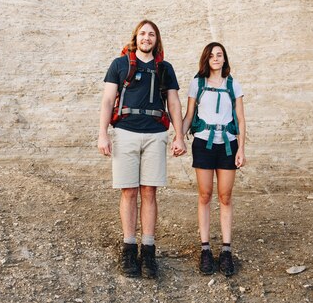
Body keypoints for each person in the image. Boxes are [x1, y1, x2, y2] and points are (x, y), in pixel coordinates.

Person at [98, 20, 187, 278]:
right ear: (135, 38)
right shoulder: (119, 64)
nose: (146, 38)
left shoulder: (165, 68)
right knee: (129, 192)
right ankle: (128, 249)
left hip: (156, 134)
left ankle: (148, 250)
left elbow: (174, 103)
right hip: (125, 132)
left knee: (149, 192)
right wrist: (102, 133)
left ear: (156, 40)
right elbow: (107, 100)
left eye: (151, 34)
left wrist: (179, 136)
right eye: (142, 34)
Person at [181, 42, 246, 276]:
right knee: (205, 195)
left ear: (224, 59)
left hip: (228, 144)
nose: (216, 59)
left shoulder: (233, 85)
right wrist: (179, 137)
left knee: (225, 196)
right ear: (206, 59)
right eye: (212, 55)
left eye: (220, 55)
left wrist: (241, 148)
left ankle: (226, 251)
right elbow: (189, 115)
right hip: (203, 143)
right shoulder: (197, 84)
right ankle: (206, 249)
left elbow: (240, 118)